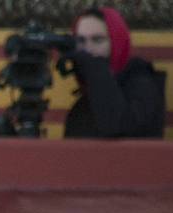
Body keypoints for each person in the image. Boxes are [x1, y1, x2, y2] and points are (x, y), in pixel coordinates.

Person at [62, 6, 164, 139]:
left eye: (97, 40)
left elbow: (116, 126)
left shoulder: (143, 88)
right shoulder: (81, 107)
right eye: (81, 41)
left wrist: (96, 68)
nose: (87, 49)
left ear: (116, 41)